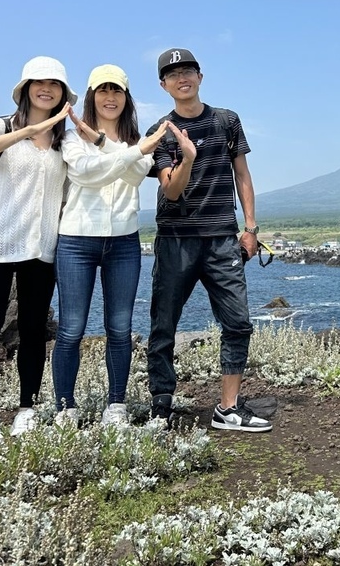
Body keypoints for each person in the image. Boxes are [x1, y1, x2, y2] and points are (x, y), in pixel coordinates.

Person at [145, 47, 272, 432]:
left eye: (188, 71)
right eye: (173, 74)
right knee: (163, 323)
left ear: (201, 76)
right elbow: (170, 190)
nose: (181, 78)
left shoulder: (227, 121)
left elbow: (242, 175)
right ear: (163, 85)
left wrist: (250, 228)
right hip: (175, 239)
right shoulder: (159, 132)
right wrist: (187, 156)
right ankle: (161, 405)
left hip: (222, 238)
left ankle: (228, 407)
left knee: (238, 322)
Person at [0, 56, 76, 446]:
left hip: (40, 249)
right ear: (26, 87)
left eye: (54, 84)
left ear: (63, 93)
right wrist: (28, 130)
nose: (46, 88)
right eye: (38, 82)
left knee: (32, 331)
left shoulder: (65, 141)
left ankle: (27, 409)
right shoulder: (1, 125)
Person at [51, 65, 167, 427]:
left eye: (116, 91)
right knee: (71, 328)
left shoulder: (139, 141)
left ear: (126, 97)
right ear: (91, 96)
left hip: (123, 242)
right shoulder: (72, 138)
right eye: (102, 91)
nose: (110, 97)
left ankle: (116, 404)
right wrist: (128, 152)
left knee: (120, 327)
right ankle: (65, 407)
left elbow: (134, 176)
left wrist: (105, 143)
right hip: (76, 240)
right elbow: (87, 173)